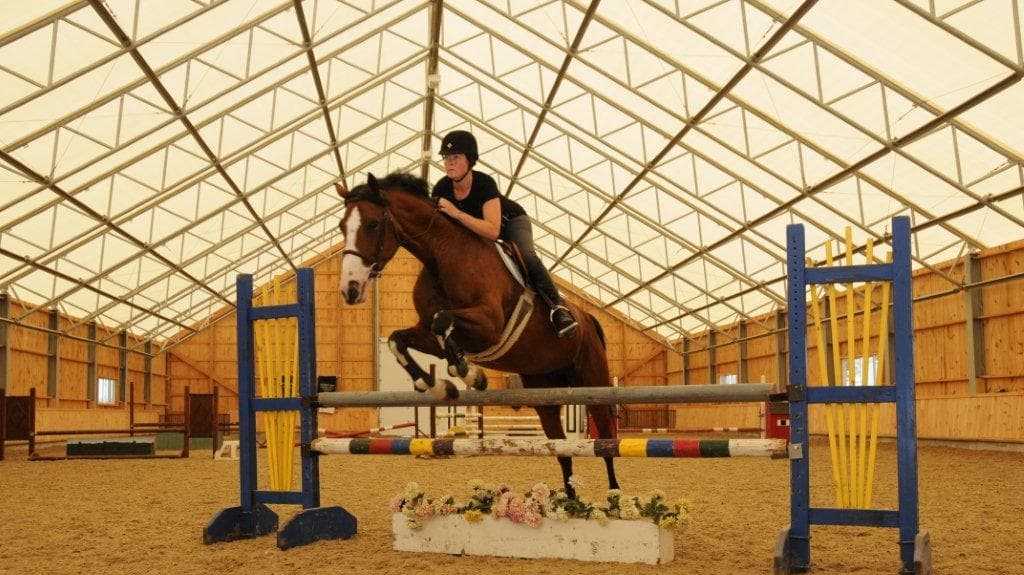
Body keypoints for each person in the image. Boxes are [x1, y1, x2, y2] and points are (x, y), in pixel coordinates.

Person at [431, 130, 579, 339]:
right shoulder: (441, 188)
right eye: (446, 158)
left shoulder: (484, 183)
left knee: (527, 255)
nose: (449, 163)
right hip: (476, 232)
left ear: (470, 160)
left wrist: (457, 213)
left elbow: (492, 230)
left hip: (512, 224)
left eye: (456, 157)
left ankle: (558, 309)